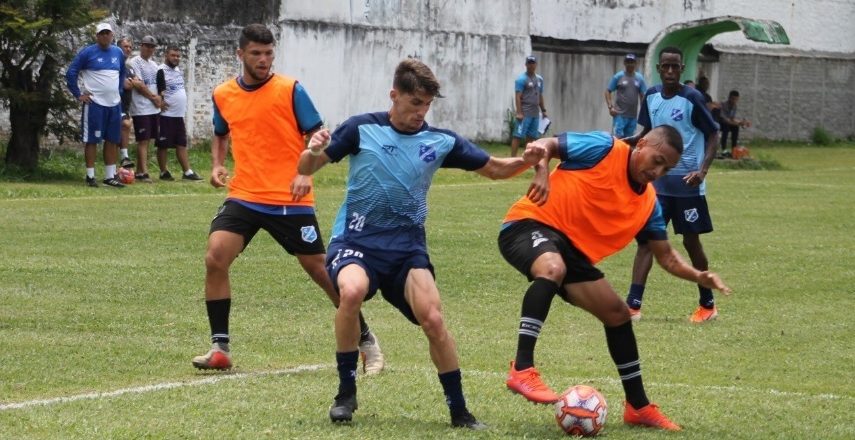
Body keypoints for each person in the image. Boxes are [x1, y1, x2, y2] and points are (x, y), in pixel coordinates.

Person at [297, 58, 545, 429]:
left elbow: (494, 168)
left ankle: (459, 411)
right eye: (415, 103)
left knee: (432, 319)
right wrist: (314, 150)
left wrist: (528, 161)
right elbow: (306, 167)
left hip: (407, 249)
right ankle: (346, 393)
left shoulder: (440, 141)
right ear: (394, 96)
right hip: (357, 241)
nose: (421, 112)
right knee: (351, 292)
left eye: (427, 105)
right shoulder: (360, 129)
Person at [498, 126, 731, 432]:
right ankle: (522, 369)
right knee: (552, 268)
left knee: (618, 314)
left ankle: (638, 407)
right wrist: (541, 171)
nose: (658, 171)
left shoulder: (649, 204)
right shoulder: (605, 148)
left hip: (572, 253)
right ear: (643, 143)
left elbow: (667, 257)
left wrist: (699, 276)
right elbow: (544, 144)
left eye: (667, 168)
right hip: (528, 225)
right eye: (657, 159)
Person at [191, 24, 385, 375]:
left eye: (268, 54)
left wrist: (303, 171)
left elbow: (317, 135)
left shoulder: (290, 89)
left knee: (321, 272)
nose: (264, 60)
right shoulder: (223, 94)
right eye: (256, 54)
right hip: (245, 195)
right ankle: (220, 347)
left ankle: (366, 339)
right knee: (215, 257)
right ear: (240, 55)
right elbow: (220, 134)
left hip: (289, 198)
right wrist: (218, 165)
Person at [624, 47, 722, 323]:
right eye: (665, 67)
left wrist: (702, 171)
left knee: (691, 242)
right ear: (658, 67)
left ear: (681, 69)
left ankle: (707, 304)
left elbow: (713, 133)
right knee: (646, 242)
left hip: (687, 185)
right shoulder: (652, 96)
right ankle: (633, 305)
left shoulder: (692, 98)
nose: (669, 72)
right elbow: (647, 133)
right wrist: (627, 144)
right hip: (657, 186)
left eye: (674, 67)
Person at [65, 22, 126, 188]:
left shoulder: (118, 52)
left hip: (114, 104)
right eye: (102, 33)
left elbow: (122, 73)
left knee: (112, 139)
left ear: (112, 35)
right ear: (97, 36)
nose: (105, 36)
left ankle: (109, 176)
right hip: (95, 104)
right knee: (92, 140)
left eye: (108, 33)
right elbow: (71, 73)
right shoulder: (87, 53)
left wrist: (119, 91)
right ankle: (90, 175)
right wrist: (79, 94)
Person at [154, 45, 202, 181]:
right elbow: (158, 90)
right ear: (166, 56)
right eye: (173, 55)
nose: (176, 58)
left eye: (178, 56)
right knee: (163, 145)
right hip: (166, 115)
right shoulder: (161, 71)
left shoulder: (177, 70)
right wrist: (160, 101)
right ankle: (164, 172)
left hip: (178, 115)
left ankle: (187, 172)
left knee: (181, 143)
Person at [128, 35, 162, 182]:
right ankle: (145, 173)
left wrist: (160, 97)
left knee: (148, 140)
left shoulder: (154, 65)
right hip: (141, 107)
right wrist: (154, 98)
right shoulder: (134, 62)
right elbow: (139, 84)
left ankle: (140, 171)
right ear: (141, 46)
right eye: (147, 45)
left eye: (152, 46)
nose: (149, 49)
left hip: (153, 108)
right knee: (142, 140)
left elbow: (158, 83)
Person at [510, 55, 546, 157]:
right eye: (529, 63)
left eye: (533, 63)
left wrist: (543, 110)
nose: (531, 65)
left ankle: (528, 158)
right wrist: (519, 112)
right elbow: (518, 96)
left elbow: (540, 95)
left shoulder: (539, 79)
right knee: (518, 135)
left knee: (531, 137)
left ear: (536, 64)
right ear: (526, 65)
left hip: (535, 113)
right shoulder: (521, 79)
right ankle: (512, 158)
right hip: (525, 112)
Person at [604, 53, 647, 139]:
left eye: (632, 62)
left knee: (629, 140)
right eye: (628, 62)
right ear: (624, 63)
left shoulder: (640, 78)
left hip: (633, 116)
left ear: (635, 63)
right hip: (619, 115)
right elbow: (607, 91)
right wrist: (610, 107)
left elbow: (643, 95)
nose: (630, 64)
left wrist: (644, 112)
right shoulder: (618, 76)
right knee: (617, 139)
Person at [117, 36, 136, 169]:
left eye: (130, 47)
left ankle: (123, 159)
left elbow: (136, 82)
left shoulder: (129, 67)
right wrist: (132, 82)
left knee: (125, 126)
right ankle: (124, 156)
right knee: (125, 125)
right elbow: (127, 85)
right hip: (114, 104)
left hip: (125, 105)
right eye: (125, 46)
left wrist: (133, 82)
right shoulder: (115, 64)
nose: (128, 49)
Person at [718, 90, 751, 156]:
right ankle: (724, 149)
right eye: (733, 99)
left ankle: (734, 149)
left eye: (736, 99)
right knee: (726, 127)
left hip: (728, 123)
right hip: (721, 123)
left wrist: (741, 122)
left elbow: (732, 119)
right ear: (729, 98)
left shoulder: (734, 107)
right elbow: (725, 120)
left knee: (735, 128)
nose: (734, 101)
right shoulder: (723, 105)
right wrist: (738, 123)